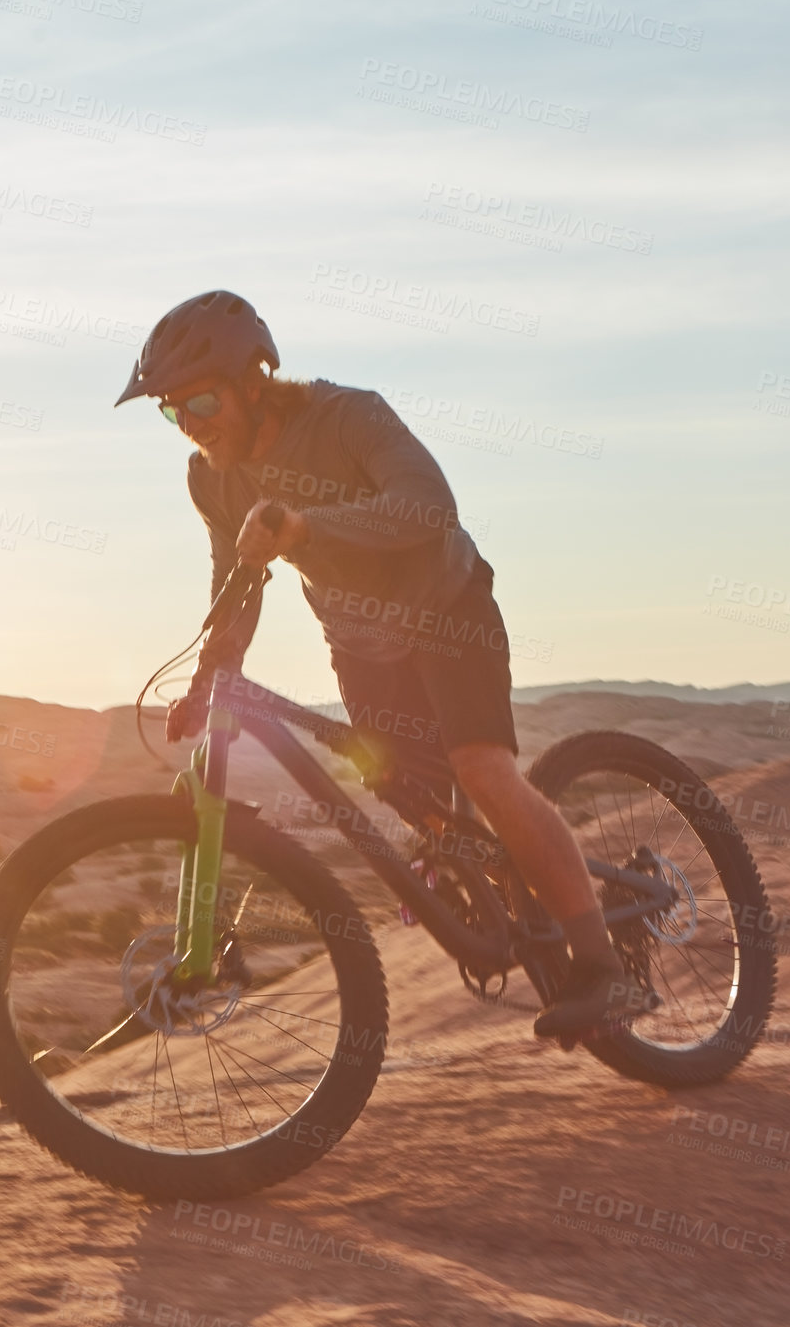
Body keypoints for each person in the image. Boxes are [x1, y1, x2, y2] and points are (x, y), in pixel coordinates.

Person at [113, 288, 648, 1039]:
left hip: (445, 606)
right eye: (173, 412)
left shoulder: (347, 417)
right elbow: (234, 577)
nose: (191, 426)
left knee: (481, 771)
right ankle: (512, 906)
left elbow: (429, 508)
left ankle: (601, 967)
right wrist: (210, 673)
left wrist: (304, 523)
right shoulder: (212, 477)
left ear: (254, 381)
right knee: (402, 789)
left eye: (201, 400)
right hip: (360, 640)